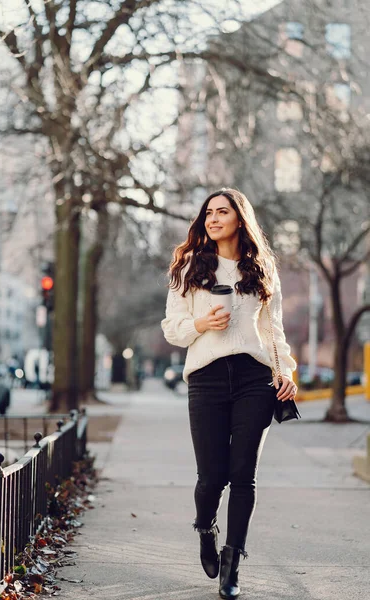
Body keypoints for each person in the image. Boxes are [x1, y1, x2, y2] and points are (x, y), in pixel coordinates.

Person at [161, 188, 297, 599]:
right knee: (211, 477)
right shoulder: (188, 266)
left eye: (223, 211)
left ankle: (232, 561)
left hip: (255, 377)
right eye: (208, 213)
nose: (214, 218)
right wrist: (202, 324)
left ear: (241, 218)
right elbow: (172, 328)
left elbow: (273, 331)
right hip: (207, 378)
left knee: (244, 475)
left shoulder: (261, 269)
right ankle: (205, 526)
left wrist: (285, 372)